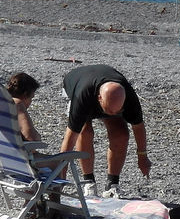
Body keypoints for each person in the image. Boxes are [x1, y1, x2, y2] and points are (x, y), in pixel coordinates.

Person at [60, 64, 151, 199]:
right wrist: (61, 172)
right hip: (76, 83)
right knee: (85, 132)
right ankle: (89, 182)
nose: (113, 113)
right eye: (109, 111)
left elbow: (138, 127)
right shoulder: (83, 96)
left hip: (105, 92)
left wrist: (142, 156)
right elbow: (70, 137)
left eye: (117, 111)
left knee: (121, 133)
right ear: (99, 99)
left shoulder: (129, 98)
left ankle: (112, 184)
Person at [0, 71, 41, 158]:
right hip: (0, 161)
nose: (31, 102)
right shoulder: (15, 104)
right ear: (25, 95)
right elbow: (33, 140)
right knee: (58, 162)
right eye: (31, 98)